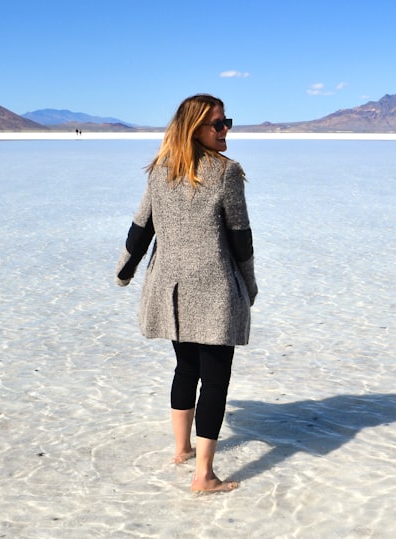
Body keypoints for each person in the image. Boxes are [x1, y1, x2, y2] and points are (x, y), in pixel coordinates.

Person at [116, 94, 258, 493]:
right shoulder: (226, 173)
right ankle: (204, 476)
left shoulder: (162, 169)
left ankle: (181, 450)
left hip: (172, 290)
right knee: (215, 381)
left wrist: (124, 271)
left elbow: (140, 229)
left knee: (185, 369)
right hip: (214, 290)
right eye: (218, 124)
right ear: (194, 128)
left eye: (227, 121)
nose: (226, 129)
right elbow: (240, 239)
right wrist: (250, 284)